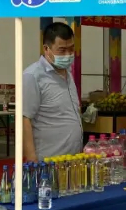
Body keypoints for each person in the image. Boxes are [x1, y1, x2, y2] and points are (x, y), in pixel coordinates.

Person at [23, 21, 83, 161]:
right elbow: (24, 120)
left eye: (71, 49)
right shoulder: (33, 76)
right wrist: (32, 160)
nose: (68, 54)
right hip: (48, 161)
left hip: (73, 159)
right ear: (46, 48)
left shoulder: (68, 73)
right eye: (62, 50)